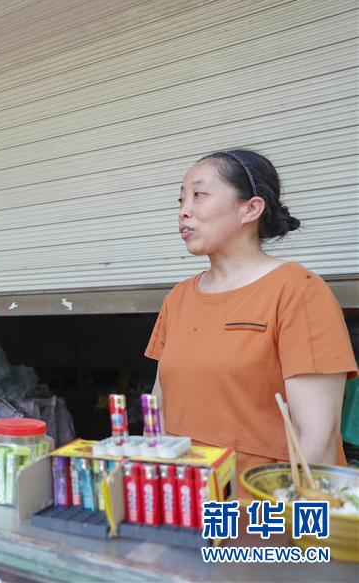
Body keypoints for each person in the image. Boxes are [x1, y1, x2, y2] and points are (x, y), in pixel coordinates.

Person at [146, 148, 357, 494]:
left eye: (199, 195)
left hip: (266, 510)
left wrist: (286, 522)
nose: (184, 210)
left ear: (251, 209)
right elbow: (159, 410)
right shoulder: (179, 298)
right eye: (181, 199)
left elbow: (316, 440)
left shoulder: (298, 291)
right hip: (186, 503)